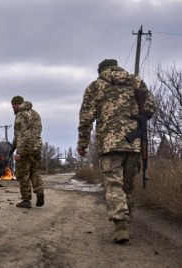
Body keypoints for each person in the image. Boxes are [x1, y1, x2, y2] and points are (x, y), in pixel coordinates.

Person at [77, 59, 157, 243]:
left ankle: (121, 226)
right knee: (127, 185)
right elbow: (151, 108)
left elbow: (86, 118)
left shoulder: (95, 86)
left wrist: (82, 144)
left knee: (114, 185)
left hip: (109, 145)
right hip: (134, 144)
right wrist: (136, 117)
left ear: (101, 71)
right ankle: (126, 219)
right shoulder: (136, 81)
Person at [11, 95, 44, 209]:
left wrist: (18, 151)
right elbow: (37, 132)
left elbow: (22, 135)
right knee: (35, 171)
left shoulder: (20, 115)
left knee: (23, 175)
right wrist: (12, 147)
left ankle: (26, 200)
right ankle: (39, 192)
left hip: (25, 149)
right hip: (37, 148)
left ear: (18, 104)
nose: (12, 108)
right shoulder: (35, 114)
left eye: (13, 105)